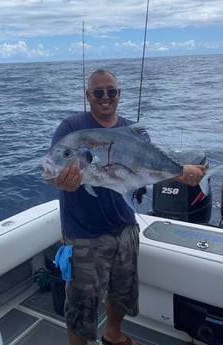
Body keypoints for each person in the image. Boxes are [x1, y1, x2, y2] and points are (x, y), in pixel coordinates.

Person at [47, 69, 205, 345]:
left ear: (119, 95)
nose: (105, 97)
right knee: (82, 304)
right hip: (84, 231)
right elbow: (54, 174)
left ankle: (113, 333)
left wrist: (182, 173)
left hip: (125, 224)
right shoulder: (71, 129)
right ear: (88, 96)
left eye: (111, 91)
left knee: (123, 290)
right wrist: (64, 183)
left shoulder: (134, 130)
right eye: (98, 92)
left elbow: (149, 169)